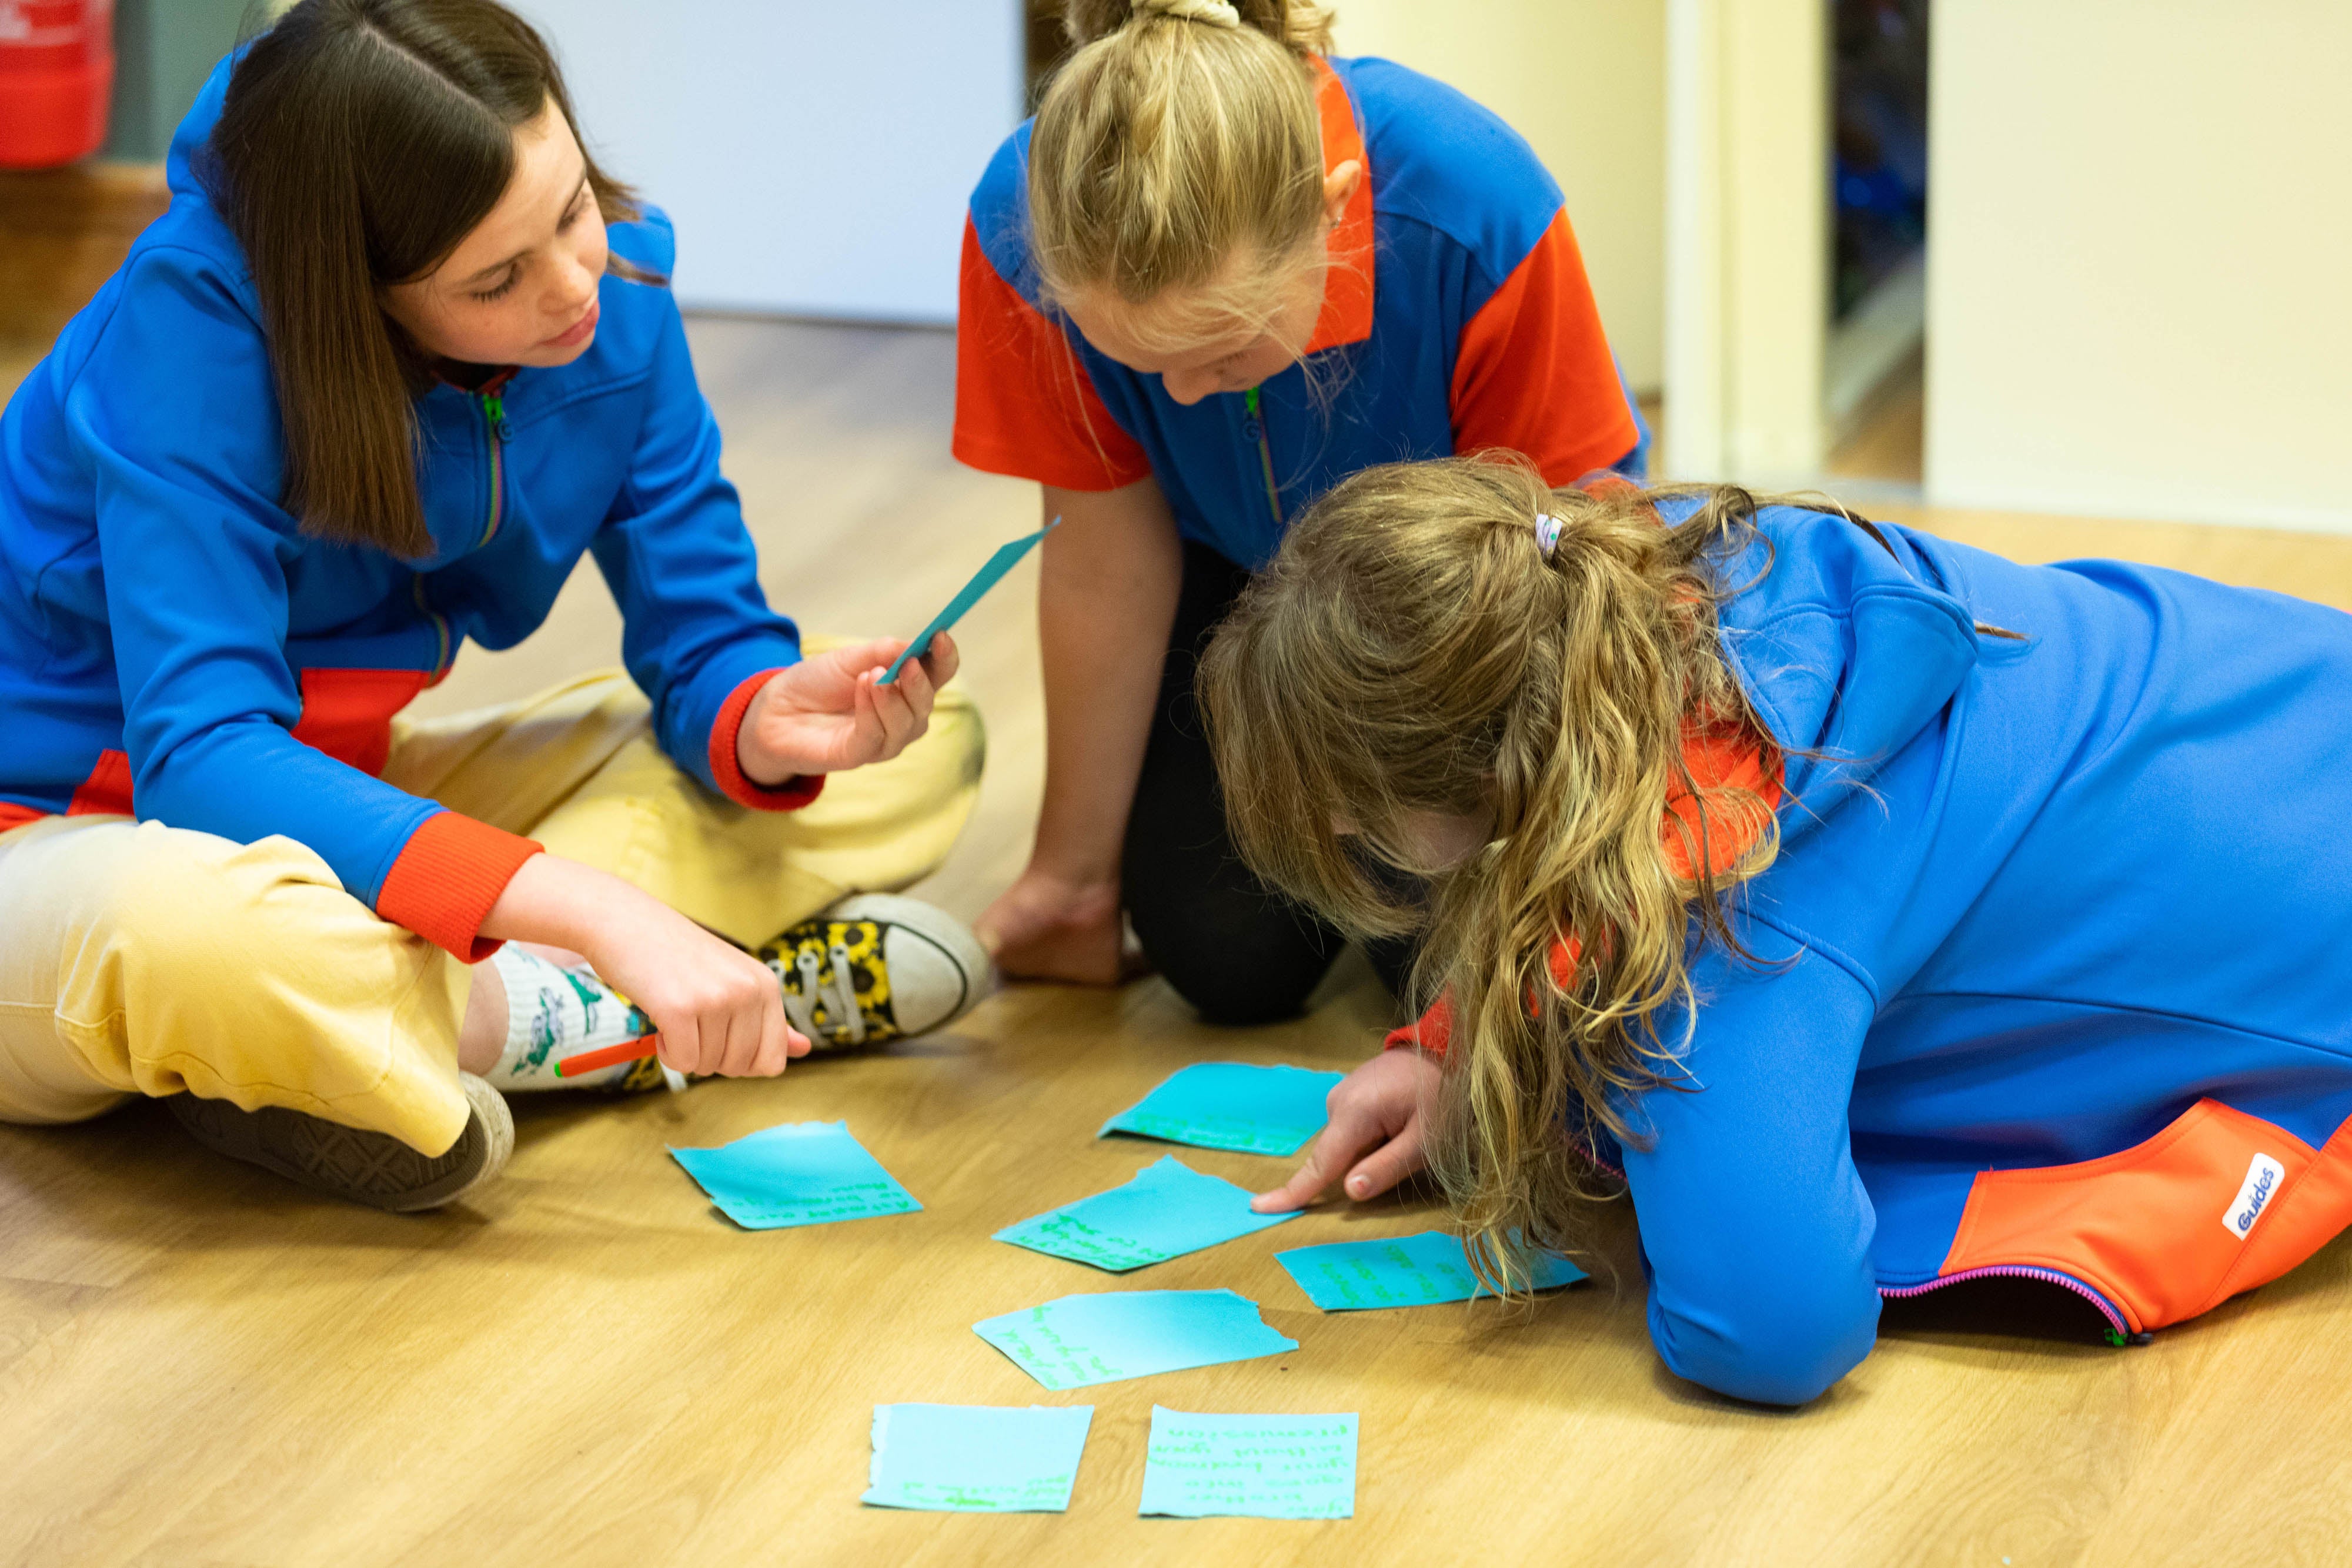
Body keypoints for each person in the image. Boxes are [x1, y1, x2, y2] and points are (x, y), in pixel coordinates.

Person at [0, 0, 989, 1213]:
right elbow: (200, 764)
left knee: (918, 746)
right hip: (60, 833)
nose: (577, 285)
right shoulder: (187, 335)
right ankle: (622, 1013)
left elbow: (704, 629)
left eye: (570, 208)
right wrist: (600, 911)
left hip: (341, 789)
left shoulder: (614, 282)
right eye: (495, 279)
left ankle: (388, 1043)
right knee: (193, 933)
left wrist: (762, 711)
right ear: (352, 296)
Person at [1207, 454, 2352, 1405]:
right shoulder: (1648, 570)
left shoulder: (1716, 929)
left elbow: (1775, 1331)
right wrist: (1453, 1046)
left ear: (1482, 771)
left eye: (1349, 812)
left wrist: (1607, 1124)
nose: (1340, 829)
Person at [956, 0, 1645, 1023]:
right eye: (1140, 362)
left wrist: (1584, 859)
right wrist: (1071, 880)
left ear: (1335, 208)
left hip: (1463, 605)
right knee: (1222, 957)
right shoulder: (1032, 221)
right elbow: (1107, 560)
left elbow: (1582, 568)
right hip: (1231, 583)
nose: (1180, 396)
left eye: (1224, 350)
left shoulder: (1474, 200)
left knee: (1456, 966)